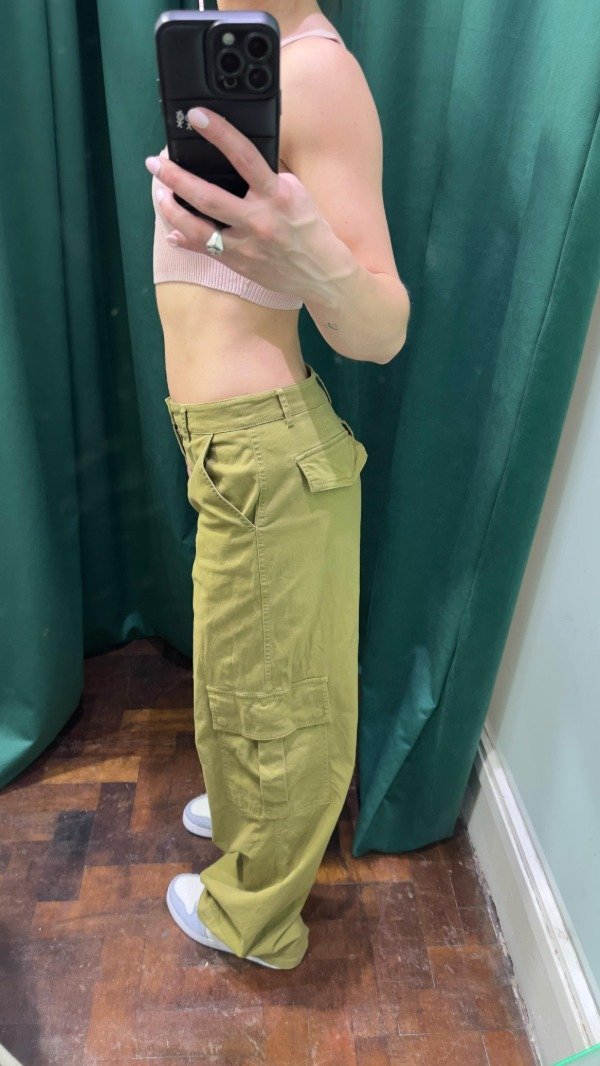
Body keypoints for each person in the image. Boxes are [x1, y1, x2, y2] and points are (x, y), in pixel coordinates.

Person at [145, 0, 410, 970]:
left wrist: (311, 257)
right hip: (229, 449)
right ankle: (246, 811)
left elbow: (382, 327)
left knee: (281, 707)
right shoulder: (233, 60)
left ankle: (254, 921)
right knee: (235, 669)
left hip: (268, 453)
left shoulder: (314, 72)